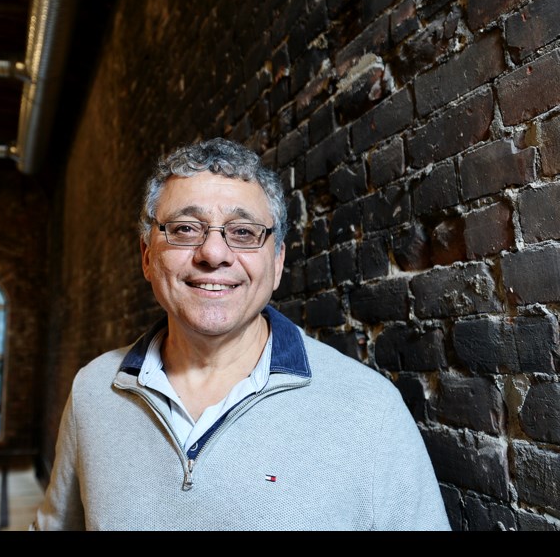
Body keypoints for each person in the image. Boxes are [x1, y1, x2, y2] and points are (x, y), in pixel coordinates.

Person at [32, 136, 450, 531]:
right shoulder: (94, 391)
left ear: (278, 262)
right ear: (147, 256)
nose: (213, 253)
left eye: (244, 233)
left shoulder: (369, 411)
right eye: (184, 229)